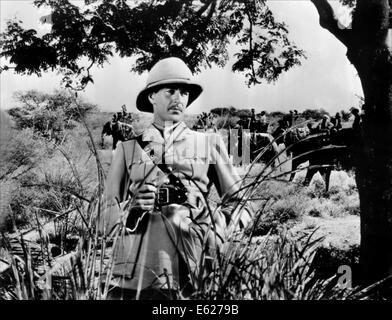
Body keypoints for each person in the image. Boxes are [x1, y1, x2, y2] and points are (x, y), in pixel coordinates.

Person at [99, 57, 253, 300]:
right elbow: (102, 216)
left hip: (189, 267)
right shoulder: (127, 149)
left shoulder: (209, 143)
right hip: (132, 275)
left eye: (183, 92)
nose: (178, 98)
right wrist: (131, 209)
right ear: (152, 96)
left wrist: (212, 228)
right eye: (170, 91)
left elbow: (243, 207)